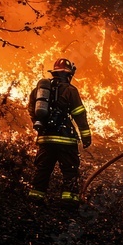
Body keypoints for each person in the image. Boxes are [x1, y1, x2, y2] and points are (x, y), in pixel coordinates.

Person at [27, 58, 92, 206]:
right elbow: (79, 114)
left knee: (43, 169)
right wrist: (86, 136)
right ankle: (68, 202)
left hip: (45, 138)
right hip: (66, 140)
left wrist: (40, 124)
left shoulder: (39, 90)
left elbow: (32, 109)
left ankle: (35, 199)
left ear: (55, 73)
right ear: (68, 75)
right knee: (70, 171)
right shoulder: (70, 90)